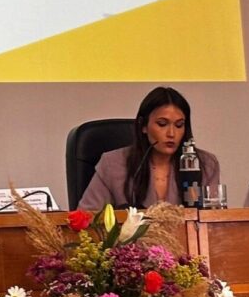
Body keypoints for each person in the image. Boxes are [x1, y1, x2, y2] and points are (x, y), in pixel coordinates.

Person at [78, 86, 220, 210]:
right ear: (143, 125)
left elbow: (214, 223)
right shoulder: (113, 164)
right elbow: (86, 218)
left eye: (179, 125)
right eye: (162, 124)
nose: (171, 134)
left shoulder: (205, 164)